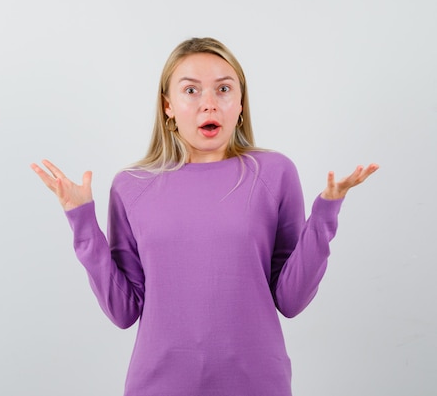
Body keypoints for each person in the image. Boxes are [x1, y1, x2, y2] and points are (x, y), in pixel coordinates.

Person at [30, 37, 378, 396]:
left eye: (223, 89)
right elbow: (123, 310)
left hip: (257, 384)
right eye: (191, 90)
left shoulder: (274, 173)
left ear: (240, 102)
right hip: (158, 385)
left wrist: (326, 213)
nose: (209, 104)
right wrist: (81, 220)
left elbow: (291, 300)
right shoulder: (131, 186)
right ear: (168, 105)